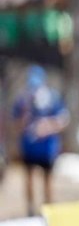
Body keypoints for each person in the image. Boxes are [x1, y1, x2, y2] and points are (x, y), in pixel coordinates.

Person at [10, 66, 68, 216]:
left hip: (47, 147)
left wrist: (48, 126)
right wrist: (23, 122)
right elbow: (15, 122)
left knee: (47, 180)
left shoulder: (52, 97)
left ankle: (48, 210)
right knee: (28, 178)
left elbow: (63, 119)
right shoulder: (23, 100)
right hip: (29, 146)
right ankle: (30, 210)